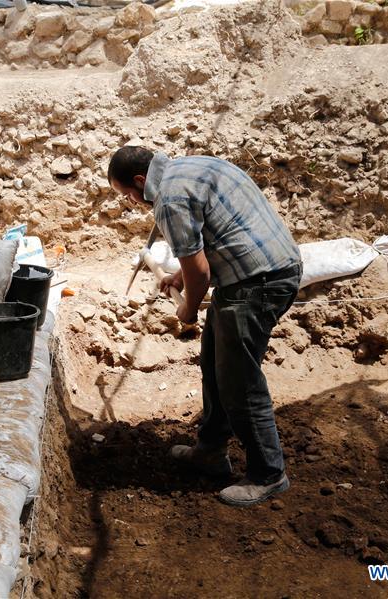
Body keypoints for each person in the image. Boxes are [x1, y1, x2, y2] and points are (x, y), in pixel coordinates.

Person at [107, 146, 302, 506]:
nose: (133, 202)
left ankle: (269, 474)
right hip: (262, 272)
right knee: (215, 366)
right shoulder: (194, 166)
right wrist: (180, 276)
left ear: (139, 180)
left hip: (258, 282)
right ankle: (211, 451)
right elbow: (214, 239)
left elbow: (201, 272)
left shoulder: (168, 199)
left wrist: (188, 308)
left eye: (129, 195)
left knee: (239, 381)